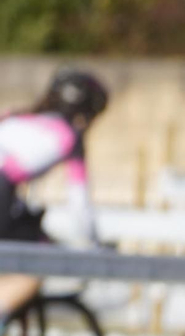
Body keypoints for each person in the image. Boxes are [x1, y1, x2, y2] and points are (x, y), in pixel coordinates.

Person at [0, 68, 109, 319]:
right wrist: (94, 244)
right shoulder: (71, 137)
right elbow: (79, 204)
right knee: (40, 258)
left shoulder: (16, 116)